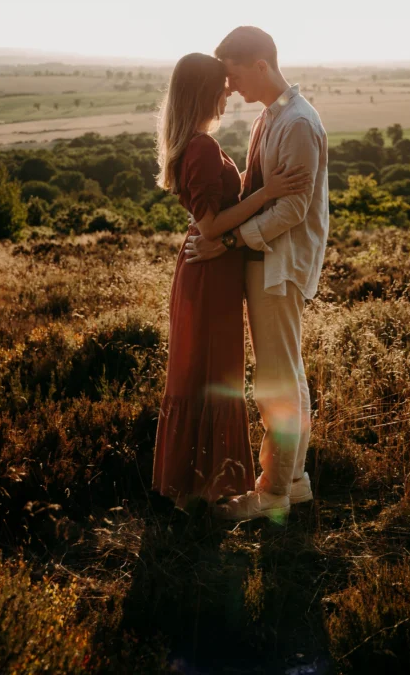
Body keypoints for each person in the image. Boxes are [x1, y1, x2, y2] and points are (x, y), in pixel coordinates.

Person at [151, 52, 311, 509]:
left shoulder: (198, 142)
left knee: (209, 371)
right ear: (204, 91)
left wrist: (252, 189)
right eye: (222, 84)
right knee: (207, 371)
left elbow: (216, 213)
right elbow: (210, 226)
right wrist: (267, 191)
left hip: (214, 271)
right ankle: (196, 491)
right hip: (208, 271)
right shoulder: (200, 146)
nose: (228, 91)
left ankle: (198, 488)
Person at [185, 28, 329, 521]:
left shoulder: (297, 125)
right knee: (287, 372)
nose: (231, 86)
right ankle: (294, 481)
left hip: (277, 264)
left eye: (235, 73)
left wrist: (226, 240)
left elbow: (291, 210)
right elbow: (259, 189)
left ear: (261, 65)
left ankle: (271, 495)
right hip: (265, 260)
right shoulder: (271, 118)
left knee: (276, 381)